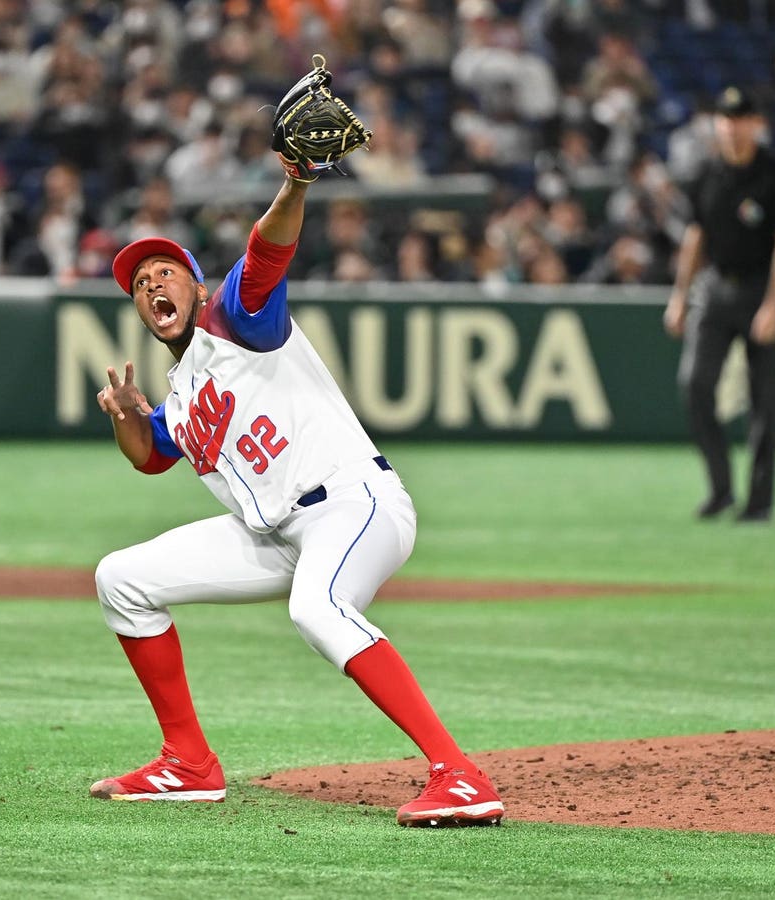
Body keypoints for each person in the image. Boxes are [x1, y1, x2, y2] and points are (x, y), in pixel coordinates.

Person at [90, 153, 504, 828]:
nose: (151, 285)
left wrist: (297, 181)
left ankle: (458, 775)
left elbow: (265, 251)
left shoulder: (234, 319)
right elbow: (148, 457)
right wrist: (127, 417)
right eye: (139, 283)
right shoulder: (183, 393)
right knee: (121, 580)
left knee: (316, 608)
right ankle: (188, 763)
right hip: (276, 534)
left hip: (352, 502)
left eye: (165, 272)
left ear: (197, 288)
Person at [663, 87, 775, 523]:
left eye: (740, 117)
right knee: (695, 384)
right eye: (725, 118)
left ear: (753, 124)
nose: (731, 126)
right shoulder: (706, 172)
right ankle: (720, 488)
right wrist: (680, 295)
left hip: (761, 288)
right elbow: (695, 235)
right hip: (716, 288)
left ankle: (759, 502)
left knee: (764, 401)